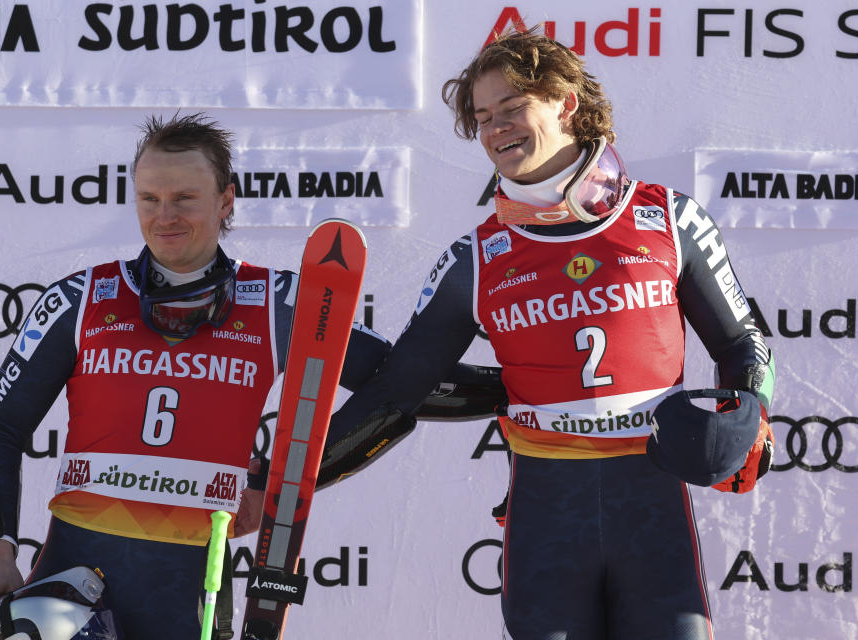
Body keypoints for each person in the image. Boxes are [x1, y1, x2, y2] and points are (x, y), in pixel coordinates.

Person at [323, 29, 775, 640]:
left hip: (653, 508)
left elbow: (743, 343)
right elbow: (397, 392)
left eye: (512, 108)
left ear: (566, 103)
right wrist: (282, 482)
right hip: (547, 516)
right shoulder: (478, 257)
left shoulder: (670, 218)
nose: (496, 129)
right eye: (483, 118)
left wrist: (750, 416)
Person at [0, 113, 398, 639]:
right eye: (149, 199)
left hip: (192, 587)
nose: (164, 216)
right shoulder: (80, 299)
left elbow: (396, 388)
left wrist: (285, 483)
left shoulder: (276, 303)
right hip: (73, 582)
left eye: (184, 199)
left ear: (225, 201)